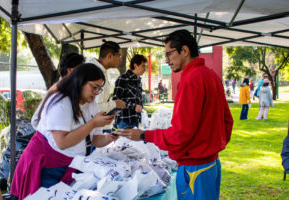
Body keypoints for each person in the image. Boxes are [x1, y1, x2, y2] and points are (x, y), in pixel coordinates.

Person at [115, 30, 233, 200]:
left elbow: (180, 134)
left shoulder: (191, 79)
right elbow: (227, 121)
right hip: (210, 163)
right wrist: (212, 146)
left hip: (195, 166)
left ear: (184, 50)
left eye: (169, 54)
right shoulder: (211, 75)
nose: (167, 60)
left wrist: (143, 134)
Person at [11, 64, 117, 200]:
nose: (97, 92)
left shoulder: (91, 103)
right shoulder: (61, 102)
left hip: (71, 164)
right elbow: (62, 142)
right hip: (48, 166)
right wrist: (93, 123)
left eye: (99, 89)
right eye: (94, 87)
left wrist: (111, 137)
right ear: (80, 81)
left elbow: (95, 140)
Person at [32, 52, 85, 129]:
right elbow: (35, 121)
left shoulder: (71, 90)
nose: (84, 74)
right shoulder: (57, 90)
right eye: (81, 70)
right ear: (70, 70)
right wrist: (51, 136)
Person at [87, 40, 126, 133]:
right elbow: (95, 107)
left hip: (100, 126)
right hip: (94, 129)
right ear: (109, 56)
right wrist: (115, 104)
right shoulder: (95, 73)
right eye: (119, 56)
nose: (120, 59)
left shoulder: (101, 70)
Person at [112, 54, 147, 129]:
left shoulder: (138, 80)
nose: (145, 69)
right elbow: (116, 99)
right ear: (135, 65)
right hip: (124, 121)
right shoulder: (123, 79)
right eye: (143, 66)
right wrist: (133, 106)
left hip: (135, 120)